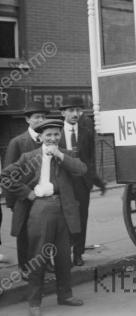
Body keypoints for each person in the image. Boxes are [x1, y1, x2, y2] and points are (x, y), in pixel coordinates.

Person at [1, 119, 87, 316]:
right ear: (40, 137)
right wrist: (25, 192)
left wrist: (59, 154)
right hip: (40, 209)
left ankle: (65, 295)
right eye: (48, 135)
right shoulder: (29, 157)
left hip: (64, 210)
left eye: (57, 134)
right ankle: (35, 302)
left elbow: (81, 170)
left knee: (63, 256)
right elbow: (5, 176)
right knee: (37, 257)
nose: (53, 138)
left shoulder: (66, 155)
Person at [4, 101, 49, 278]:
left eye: (43, 117)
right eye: (37, 117)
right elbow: (8, 174)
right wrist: (12, 201)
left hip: (45, 196)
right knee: (24, 234)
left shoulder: (48, 140)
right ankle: (25, 269)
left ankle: (45, 265)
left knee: (44, 232)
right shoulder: (17, 142)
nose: (40, 120)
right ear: (27, 119)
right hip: (24, 197)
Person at [58, 98, 96, 267]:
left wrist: (90, 179)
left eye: (78, 110)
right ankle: (63, 254)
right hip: (63, 183)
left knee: (81, 218)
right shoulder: (55, 132)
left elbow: (90, 157)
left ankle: (78, 253)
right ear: (63, 113)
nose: (75, 114)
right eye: (71, 110)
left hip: (81, 183)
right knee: (63, 219)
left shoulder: (86, 132)